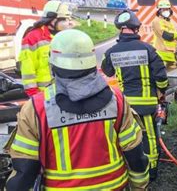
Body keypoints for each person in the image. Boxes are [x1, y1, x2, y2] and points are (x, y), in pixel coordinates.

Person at [6, 29, 149, 190]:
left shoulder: (36, 108)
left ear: (52, 63)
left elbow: (25, 170)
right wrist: (140, 187)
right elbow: (135, 154)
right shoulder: (117, 100)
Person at [101, 10, 168, 181]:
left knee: (126, 137)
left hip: (124, 107)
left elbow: (107, 71)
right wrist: (161, 92)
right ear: (136, 29)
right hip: (146, 104)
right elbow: (160, 75)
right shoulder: (148, 49)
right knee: (150, 137)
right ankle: (151, 171)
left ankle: (129, 168)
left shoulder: (111, 52)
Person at [20, 0, 73, 96]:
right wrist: (34, 96)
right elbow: (28, 70)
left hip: (66, 92)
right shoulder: (33, 38)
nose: (68, 22)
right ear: (52, 20)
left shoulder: (67, 36)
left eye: (69, 19)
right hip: (44, 95)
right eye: (65, 19)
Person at [152, 0, 177, 69]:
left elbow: (174, 36)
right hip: (161, 55)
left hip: (170, 55)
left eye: (167, 9)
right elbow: (167, 36)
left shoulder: (169, 22)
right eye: (163, 9)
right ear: (159, 11)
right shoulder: (157, 21)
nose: (165, 11)